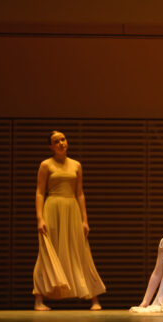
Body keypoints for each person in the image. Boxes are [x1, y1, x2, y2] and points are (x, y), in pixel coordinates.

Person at [33, 131, 105, 311]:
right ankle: (38, 300)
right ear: (51, 146)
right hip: (52, 209)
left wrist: (85, 220)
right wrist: (40, 218)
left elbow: (79, 193)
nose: (61, 143)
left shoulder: (76, 165)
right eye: (56, 141)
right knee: (47, 252)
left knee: (80, 251)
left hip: (72, 210)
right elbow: (40, 192)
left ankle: (94, 298)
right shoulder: (45, 165)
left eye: (63, 139)